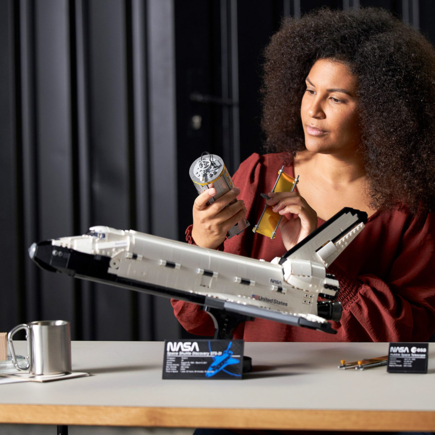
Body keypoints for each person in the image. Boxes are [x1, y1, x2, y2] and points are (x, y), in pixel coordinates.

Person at [171, 7, 435, 343]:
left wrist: (316, 263)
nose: (313, 110)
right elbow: (196, 320)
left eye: (335, 99)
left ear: (382, 110)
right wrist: (204, 245)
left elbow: (411, 332)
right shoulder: (260, 176)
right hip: (262, 374)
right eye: (310, 90)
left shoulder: (408, 211)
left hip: (353, 377)